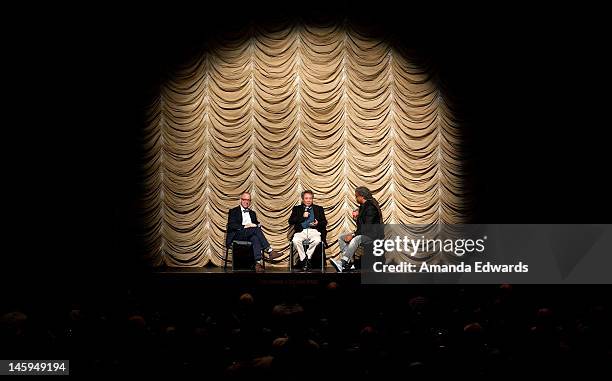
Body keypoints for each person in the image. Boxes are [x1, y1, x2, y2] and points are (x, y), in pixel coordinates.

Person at [331, 186, 383, 272]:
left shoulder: (370, 208)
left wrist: (353, 234)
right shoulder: (363, 206)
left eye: (356, 196)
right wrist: (357, 217)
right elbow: (361, 225)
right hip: (365, 233)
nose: (356, 198)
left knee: (356, 239)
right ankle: (349, 263)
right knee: (341, 237)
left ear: (362, 196)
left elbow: (367, 227)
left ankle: (342, 262)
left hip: (372, 235)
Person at [226, 192, 281, 272]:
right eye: (244, 199)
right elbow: (231, 225)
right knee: (255, 230)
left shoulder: (252, 213)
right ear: (241, 200)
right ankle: (270, 250)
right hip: (238, 234)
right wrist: (245, 226)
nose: (246, 202)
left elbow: (255, 223)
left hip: (249, 234)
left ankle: (257, 263)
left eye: (248, 200)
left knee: (255, 238)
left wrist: (257, 225)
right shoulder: (234, 211)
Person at [288, 190, 327, 271]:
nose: (308, 200)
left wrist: (317, 223)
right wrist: (302, 217)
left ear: (312, 199)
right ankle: (304, 260)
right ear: (303, 199)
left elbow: (324, 222)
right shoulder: (297, 208)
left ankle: (307, 258)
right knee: (295, 241)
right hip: (301, 231)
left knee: (317, 240)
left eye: (310, 198)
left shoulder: (319, 209)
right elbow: (291, 221)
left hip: (314, 231)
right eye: (306, 198)